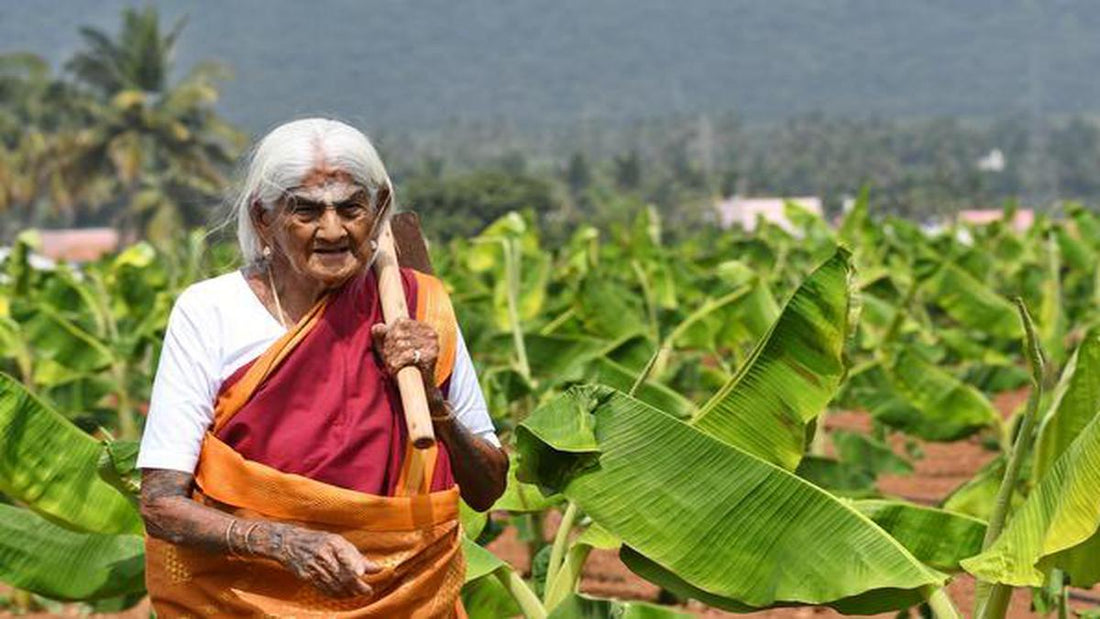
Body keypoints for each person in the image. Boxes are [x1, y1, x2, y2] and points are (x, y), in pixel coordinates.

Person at [137, 118, 508, 616]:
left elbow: (487, 489)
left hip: (403, 597)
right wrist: (281, 542)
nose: (332, 230)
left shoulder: (420, 309)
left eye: (350, 208)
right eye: (307, 210)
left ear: (377, 212)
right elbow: (161, 504)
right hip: (241, 601)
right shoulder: (210, 311)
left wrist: (433, 401)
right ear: (264, 218)